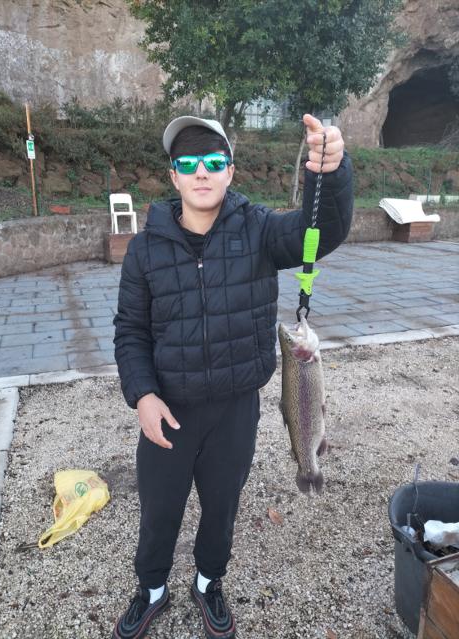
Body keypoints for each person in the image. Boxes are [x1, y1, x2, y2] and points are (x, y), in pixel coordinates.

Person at [112, 113, 353, 639]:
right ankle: (151, 588)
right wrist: (143, 395)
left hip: (236, 408)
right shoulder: (145, 249)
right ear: (173, 176)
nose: (201, 172)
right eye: (187, 163)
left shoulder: (261, 230)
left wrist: (331, 173)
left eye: (212, 161)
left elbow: (322, 231)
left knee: (222, 506)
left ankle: (208, 582)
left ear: (230, 171)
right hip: (169, 409)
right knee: (159, 509)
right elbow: (130, 330)